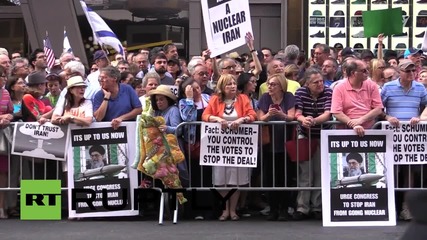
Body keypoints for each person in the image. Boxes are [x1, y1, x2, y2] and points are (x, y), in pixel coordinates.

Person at [202, 74, 256, 221]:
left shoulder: (243, 99)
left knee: (235, 179)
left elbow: (252, 115)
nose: (232, 86)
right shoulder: (215, 100)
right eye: (229, 84)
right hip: (220, 147)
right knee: (221, 178)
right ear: (222, 88)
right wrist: (217, 118)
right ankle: (225, 210)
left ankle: (233, 210)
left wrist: (242, 119)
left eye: (234, 83)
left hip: (238, 146)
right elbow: (205, 115)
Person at [293, 68, 332, 221]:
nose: (320, 84)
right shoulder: (300, 92)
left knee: (319, 172)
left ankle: (317, 206)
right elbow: (297, 113)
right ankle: (302, 207)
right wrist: (304, 120)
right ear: (307, 84)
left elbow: (328, 113)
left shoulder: (328, 92)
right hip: (305, 135)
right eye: (316, 82)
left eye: (321, 81)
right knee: (305, 173)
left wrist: (314, 121)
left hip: (322, 134)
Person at [257, 73, 295, 221]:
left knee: (284, 176)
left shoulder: (289, 96)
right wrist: (268, 115)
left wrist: (281, 114)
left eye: (273, 84)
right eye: (269, 84)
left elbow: (291, 116)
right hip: (269, 142)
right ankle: (273, 209)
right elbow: (260, 117)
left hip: (285, 141)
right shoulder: (265, 98)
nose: (270, 87)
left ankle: (284, 209)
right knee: (270, 177)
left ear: (281, 86)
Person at [178, 77, 211, 220]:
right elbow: (188, 118)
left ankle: (209, 210)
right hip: (193, 143)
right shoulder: (183, 103)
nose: (197, 91)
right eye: (193, 89)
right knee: (195, 176)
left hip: (209, 142)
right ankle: (194, 210)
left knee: (208, 177)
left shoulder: (208, 98)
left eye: (198, 88)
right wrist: (189, 99)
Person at [331, 60, 383, 137]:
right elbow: (336, 112)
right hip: (345, 132)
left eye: (367, 69)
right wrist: (353, 124)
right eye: (363, 71)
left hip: (369, 130)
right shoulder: (339, 87)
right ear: (353, 73)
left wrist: (360, 120)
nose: (367, 73)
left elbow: (378, 109)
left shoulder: (372, 85)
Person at [0, 66, 13, 219]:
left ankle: (1, 207)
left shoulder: (5, 93)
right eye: (1, 76)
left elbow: (10, 111)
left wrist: (8, 117)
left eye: (4, 76)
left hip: (2, 138)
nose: (4, 79)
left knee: (2, 173)